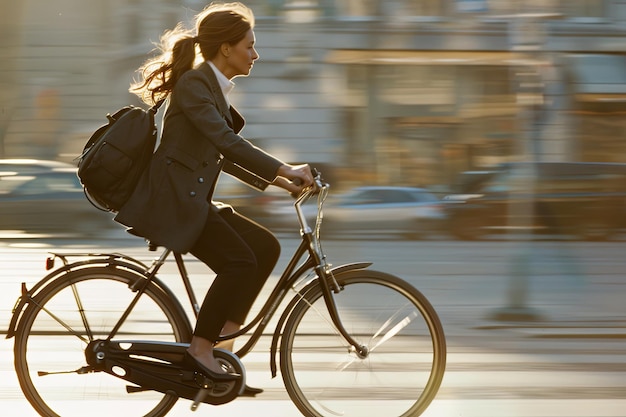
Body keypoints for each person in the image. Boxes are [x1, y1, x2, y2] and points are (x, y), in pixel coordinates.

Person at [114, 1, 313, 394]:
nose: (255, 54)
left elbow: (220, 153)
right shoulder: (194, 85)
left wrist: (282, 183)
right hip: (174, 202)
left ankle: (223, 351)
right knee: (239, 262)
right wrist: (285, 168)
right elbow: (226, 141)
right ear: (226, 48)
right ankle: (201, 349)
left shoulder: (209, 87)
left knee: (265, 247)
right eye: (250, 46)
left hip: (189, 198)